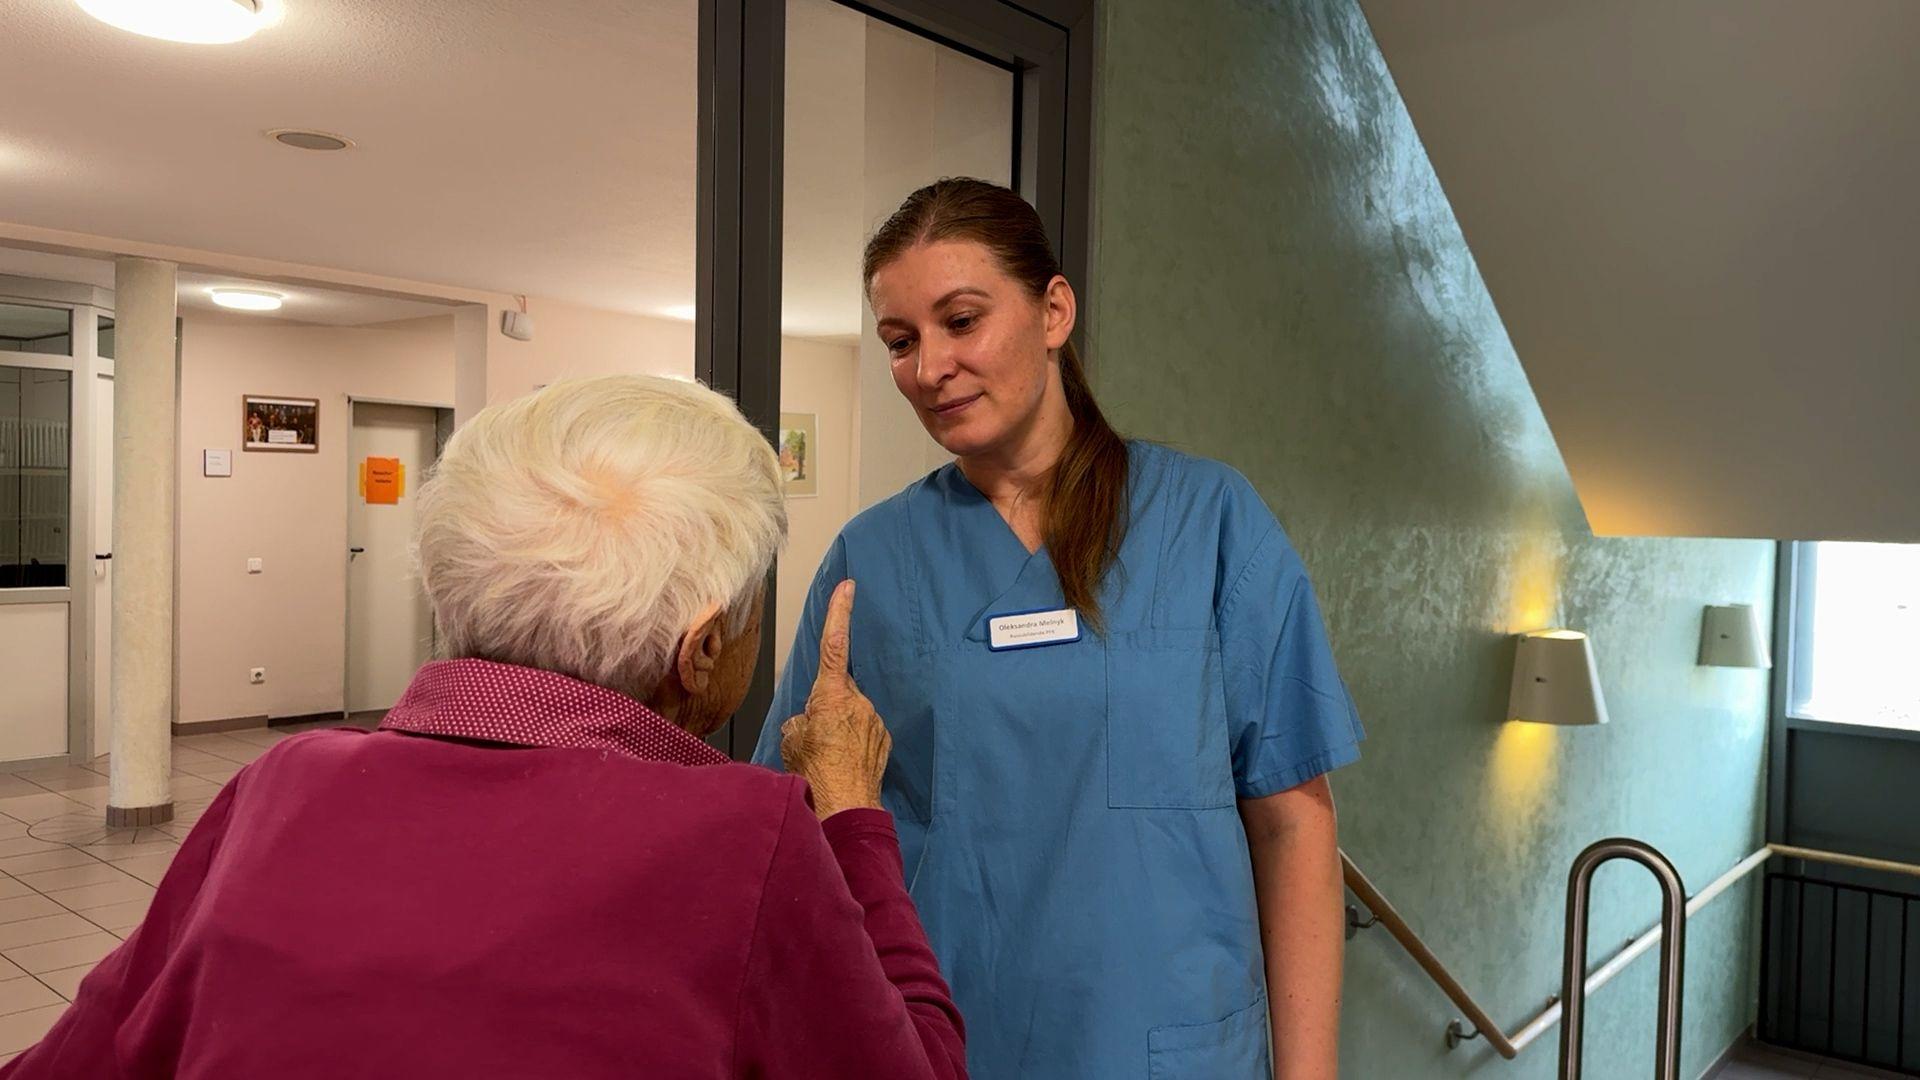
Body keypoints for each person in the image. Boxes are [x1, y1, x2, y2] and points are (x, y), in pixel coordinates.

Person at [4, 375, 965, 1079]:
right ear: (702, 648)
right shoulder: (747, 835)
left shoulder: (280, 783)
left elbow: (81, 1055)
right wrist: (851, 812)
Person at [753, 179, 1364, 1079]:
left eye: (962, 320)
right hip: (946, 1040)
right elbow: (793, 829)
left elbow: (1293, 825)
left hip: (1165, 1042)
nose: (929, 367)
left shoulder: (1207, 522)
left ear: (1054, 311)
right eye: (901, 341)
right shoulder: (871, 559)